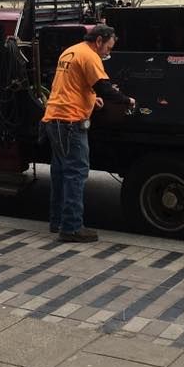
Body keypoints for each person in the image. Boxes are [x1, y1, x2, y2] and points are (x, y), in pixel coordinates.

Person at [42, 24, 135, 242]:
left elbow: (70, 85)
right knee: (76, 173)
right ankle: (72, 228)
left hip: (54, 118)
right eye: (108, 48)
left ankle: (57, 221)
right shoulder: (90, 56)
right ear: (99, 41)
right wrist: (127, 100)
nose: (107, 53)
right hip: (71, 122)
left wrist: (92, 99)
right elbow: (105, 87)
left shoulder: (71, 51)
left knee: (61, 173)